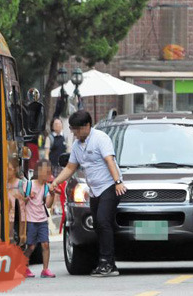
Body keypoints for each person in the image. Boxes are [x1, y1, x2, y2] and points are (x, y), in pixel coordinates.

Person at [51, 110, 126, 277]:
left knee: (102, 221)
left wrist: (118, 182)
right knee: (98, 226)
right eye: (72, 129)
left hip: (109, 186)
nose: (74, 133)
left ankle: (106, 262)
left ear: (87, 126)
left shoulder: (100, 138)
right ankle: (110, 263)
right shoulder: (77, 146)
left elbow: (110, 160)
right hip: (94, 190)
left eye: (76, 129)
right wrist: (56, 181)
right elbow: (71, 167)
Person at [22, 159, 58, 278]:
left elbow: (48, 205)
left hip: (42, 220)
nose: (48, 175)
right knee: (31, 246)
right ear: (39, 171)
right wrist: (27, 197)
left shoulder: (46, 187)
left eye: (49, 172)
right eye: (46, 172)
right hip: (31, 220)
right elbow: (20, 202)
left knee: (45, 244)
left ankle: (45, 269)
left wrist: (52, 195)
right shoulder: (28, 185)